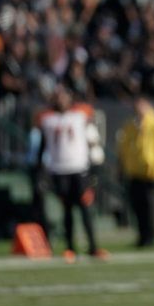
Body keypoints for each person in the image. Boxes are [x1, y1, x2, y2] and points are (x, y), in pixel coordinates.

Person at [36, 88, 109, 262]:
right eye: (58, 97)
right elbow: (43, 145)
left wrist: (95, 164)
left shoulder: (80, 115)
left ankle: (93, 247)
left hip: (79, 168)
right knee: (66, 210)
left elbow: (92, 139)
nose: (61, 100)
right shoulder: (47, 119)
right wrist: (40, 168)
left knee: (85, 209)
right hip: (59, 170)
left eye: (64, 96)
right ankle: (70, 247)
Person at [117, 96, 154, 248]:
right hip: (135, 174)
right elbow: (123, 150)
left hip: (153, 174)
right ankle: (142, 237)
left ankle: (151, 238)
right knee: (138, 207)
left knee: (152, 208)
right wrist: (121, 168)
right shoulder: (130, 126)